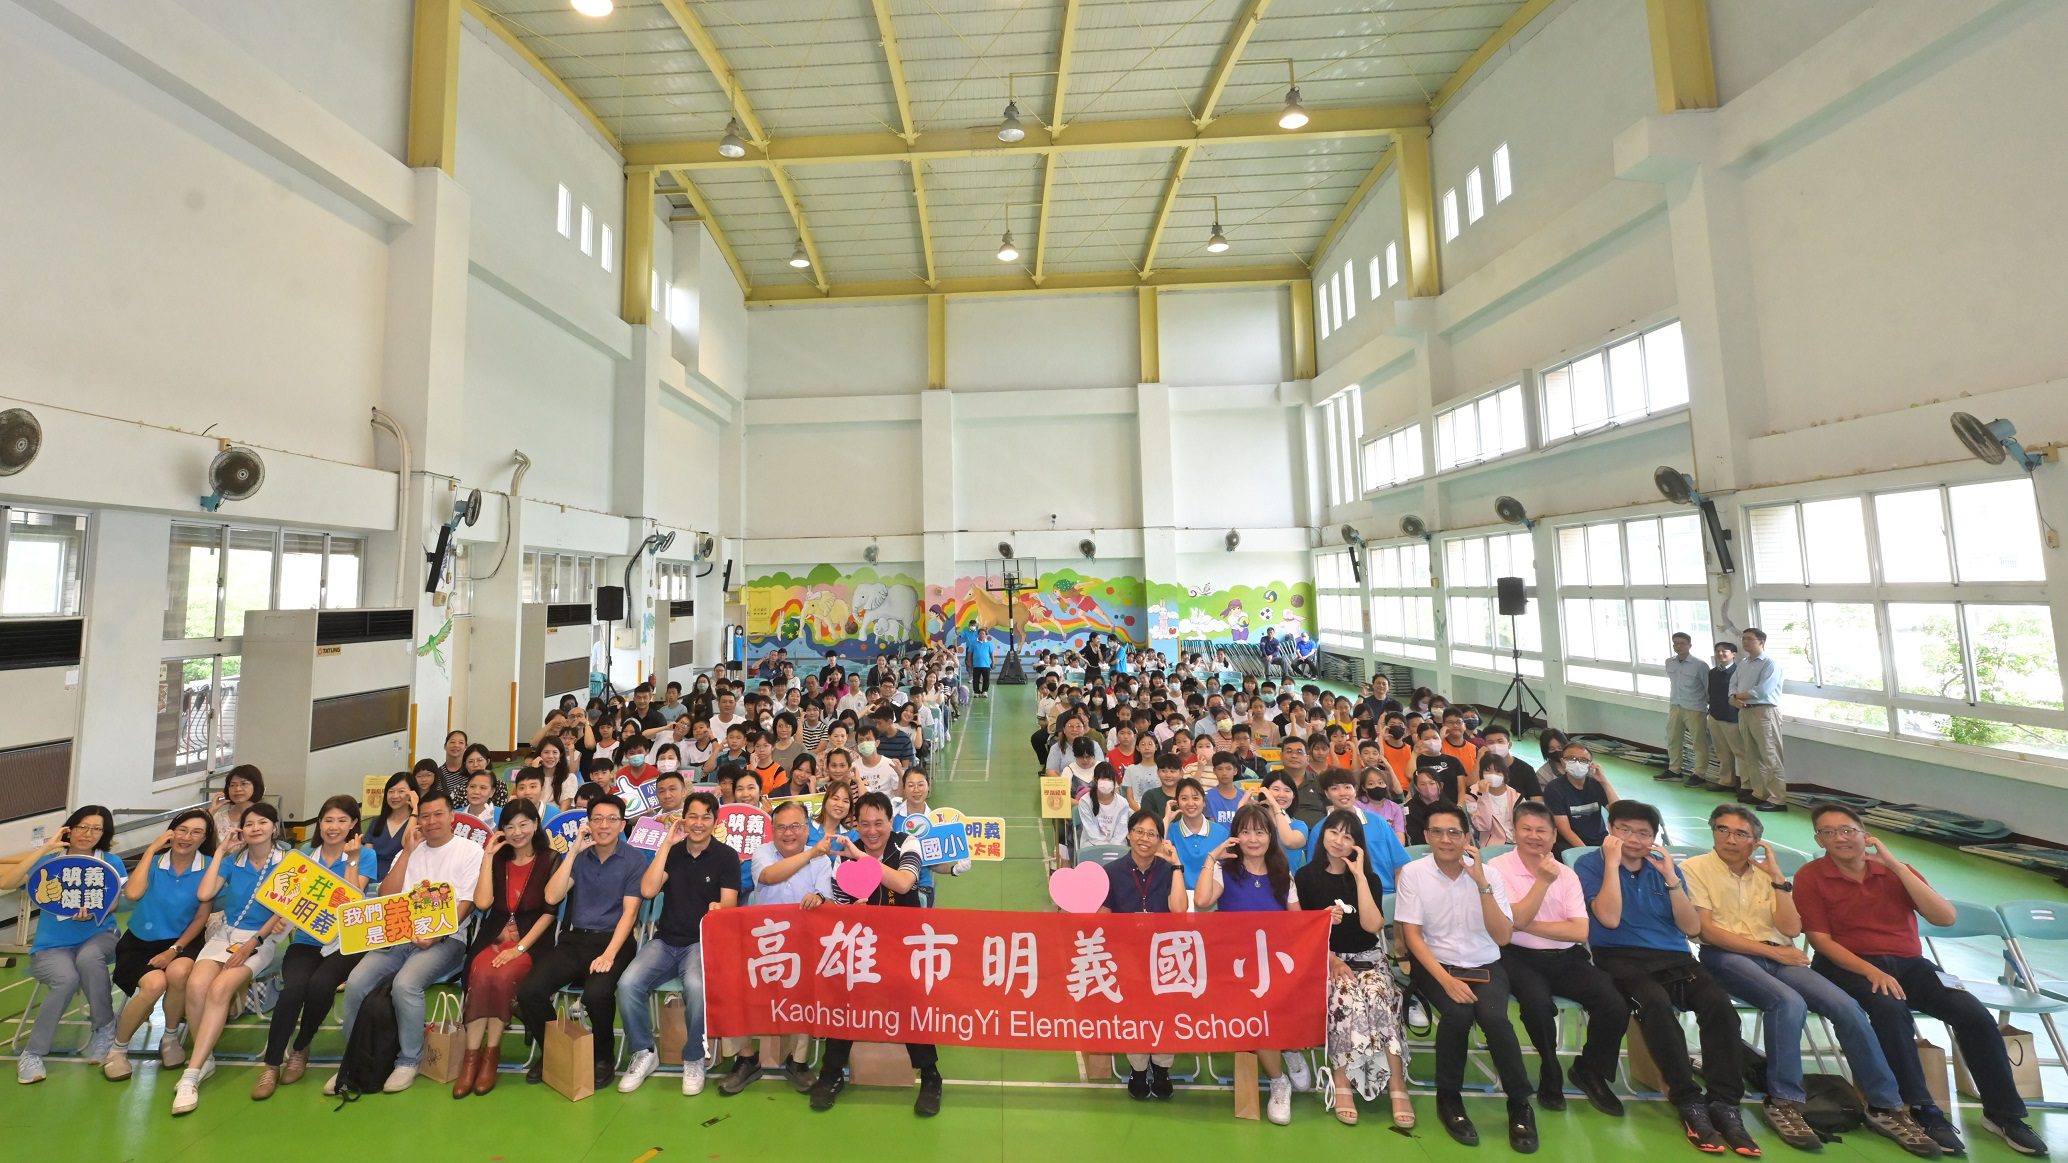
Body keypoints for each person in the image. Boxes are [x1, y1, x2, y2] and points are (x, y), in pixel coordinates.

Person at [1684, 805, 1942, 1156]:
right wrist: (1776, 954)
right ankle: (1784, 1101)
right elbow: (1707, 932)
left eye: (1741, 834)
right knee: (1788, 1002)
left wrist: (1778, 881)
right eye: (1722, 830)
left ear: (1756, 842)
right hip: (1727, 956)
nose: (1730, 839)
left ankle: (1885, 1105)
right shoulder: (1694, 868)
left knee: (1847, 1006)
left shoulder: (1767, 875)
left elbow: (1791, 929)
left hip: (1781, 955)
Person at [1796, 804, 2048, 1156]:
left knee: (1973, 1014)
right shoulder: (1811, 876)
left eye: (1848, 830)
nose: (1840, 838)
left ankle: (2004, 1115)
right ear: (1819, 840)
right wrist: (1871, 971)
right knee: (1889, 1008)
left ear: (1865, 835)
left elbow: (1945, 917)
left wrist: (1897, 867)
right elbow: (1821, 941)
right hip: (1847, 965)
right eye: (1829, 832)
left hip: (1912, 964)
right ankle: (1922, 1108)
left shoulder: (1896, 871)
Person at [1577, 801, 1757, 1155]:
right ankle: (1688, 1100)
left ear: (1654, 838)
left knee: (1719, 1005)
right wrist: (1611, 864)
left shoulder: (1665, 869)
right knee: (1656, 1004)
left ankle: (1724, 1103)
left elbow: (1691, 928)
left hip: (1675, 957)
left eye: (1643, 833)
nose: (1634, 839)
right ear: (1610, 831)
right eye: (1624, 830)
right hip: (1619, 956)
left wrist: (1673, 880)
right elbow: (1609, 919)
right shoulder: (1590, 864)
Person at [1396, 801, 1538, 1152]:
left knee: (1495, 1018)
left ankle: (1519, 1102)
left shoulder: (1490, 875)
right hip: (1437, 964)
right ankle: (1449, 1097)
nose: (1445, 840)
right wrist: (1446, 981)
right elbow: (1412, 936)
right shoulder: (1413, 873)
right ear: (1426, 836)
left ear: (1466, 837)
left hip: (1485, 963)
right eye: (1437, 832)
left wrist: (1482, 885)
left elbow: (1502, 937)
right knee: (1457, 1015)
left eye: (1453, 832)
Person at [333, 788, 483, 1096]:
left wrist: (436, 934)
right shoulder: (411, 849)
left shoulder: (469, 851)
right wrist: (408, 852)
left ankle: (408, 1061)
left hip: (447, 938)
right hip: (399, 935)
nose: (431, 821)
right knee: (356, 982)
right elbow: (386, 894)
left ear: (452, 817)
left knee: (406, 984)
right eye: (425, 816)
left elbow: (466, 902)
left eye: (438, 814)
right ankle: (352, 1062)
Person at [1488, 802, 1626, 1117]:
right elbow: (1508, 926)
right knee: (1537, 1004)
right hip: (1516, 956)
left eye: (1542, 831)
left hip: (1566, 956)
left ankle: (1590, 1069)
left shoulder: (1567, 874)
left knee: (1614, 1003)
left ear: (1553, 836)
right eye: (1526, 829)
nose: (1534, 836)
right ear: (1514, 832)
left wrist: (1523, 923)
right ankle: (1550, 1067)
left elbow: (1579, 930)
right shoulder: (1497, 869)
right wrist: (1540, 885)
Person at [809, 792, 941, 1117]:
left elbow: (904, 883)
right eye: (864, 824)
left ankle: (930, 1076)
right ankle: (831, 1073)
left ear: (891, 822)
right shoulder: (844, 858)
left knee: (910, 998)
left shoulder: (907, 844)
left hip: (904, 944)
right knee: (844, 995)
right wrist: (850, 910)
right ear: (856, 824)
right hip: (863, 945)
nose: (871, 831)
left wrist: (861, 858)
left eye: (878, 823)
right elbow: (840, 908)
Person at [515, 793, 645, 1090]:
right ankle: (555, 1051)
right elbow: (552, 896)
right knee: (529, 991)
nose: (603, 825)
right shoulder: (579, 857)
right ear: (588, 823)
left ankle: (602, 1057)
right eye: (597, 819)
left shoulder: (634, 860)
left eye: (611, 819)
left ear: (622, 824)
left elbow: (630, 914)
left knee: (596, 994)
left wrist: (609, 955)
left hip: (615, 941)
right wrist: (572, 853)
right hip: (575, 940)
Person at [252, 796, 378, 1099]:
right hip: (306, 942)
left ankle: (300, 1047)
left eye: (342, 821)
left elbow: (353, 902)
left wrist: (352, 859)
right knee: (293, 990)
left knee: (321, 985)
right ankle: (271, 1065)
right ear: (319, 823)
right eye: (328, 820)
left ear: (353, 824)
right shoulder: (304, 856)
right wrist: (280, 922)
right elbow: (285, 900)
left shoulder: (365, 856)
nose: (334, 827)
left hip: (344, 944)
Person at [1295, 809, 1414, 1129]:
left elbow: (1373, 925)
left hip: (1369, 958)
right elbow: (1301, 932)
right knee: (1344, 998)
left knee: (1379, 997)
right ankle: (1342, 1081)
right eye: (1333, 832)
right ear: (1323, 834)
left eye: (1347, 836)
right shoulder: (1305, 877)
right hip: (1328, 959)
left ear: (1357, 844)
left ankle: (1397, 1084)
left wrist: (1360, 877)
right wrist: (1330, 956)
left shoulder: (1370, 879)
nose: (1338, 840)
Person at [172, 803, 291, 1114]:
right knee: (196, 985)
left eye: (262, 822)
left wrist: (251, 944)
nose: (255, 828)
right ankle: (206, 1059)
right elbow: (204, 894)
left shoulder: (288, 861)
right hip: (225, 935)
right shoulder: (232, 861)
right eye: (249, 824)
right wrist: (221, 851)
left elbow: (283, 910)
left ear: (274, 827)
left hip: (261, 940)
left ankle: (191, 1074)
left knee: (220, 989)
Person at [619, 791, 738, 1096]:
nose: (698, 823)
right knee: (628, 984)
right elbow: (648, 890)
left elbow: (730, 902)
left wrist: (720, 908)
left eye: (706, 817)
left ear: (715, 821)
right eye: (692, 816)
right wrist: (666, 844)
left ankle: (694, 1057)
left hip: (701, 943)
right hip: (665, 940)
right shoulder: (672, 853)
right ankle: (644, 1052)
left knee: (697, 988)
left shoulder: (726, 856)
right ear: (683, 819)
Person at [1192, 803, 1301, 1126]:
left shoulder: (1283, 876)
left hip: (1276, 966)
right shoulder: (1224, 871)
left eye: (1260, 832)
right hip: (1235, 969)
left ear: (1270, 836)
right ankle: (1279, 1079)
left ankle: (1289, 1048)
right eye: (1246, 831)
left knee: (1279, 1001)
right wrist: (1212, 858)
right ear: (1235, 836)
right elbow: (1201, 901)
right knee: (1256, 1010)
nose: (1253, 839)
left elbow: (1298, 924)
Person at [2, 805, 126, 1084]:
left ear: (104, 834)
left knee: (88, 959)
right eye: (82, 826)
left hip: (99, 935)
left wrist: (95, 911)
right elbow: (8, 882)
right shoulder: (51, 861)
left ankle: (105, 1028)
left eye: (96, 829)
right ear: (70, 828)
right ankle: (33, 1053)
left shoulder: (110, 862)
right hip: (52, 945)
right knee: (66, 978)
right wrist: (45, 849)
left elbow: (116, 900)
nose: (88, 834)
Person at [102, 810, 215, 1082]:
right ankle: (117, 1050)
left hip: (183, 941)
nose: (187, 837)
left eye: (196, 832)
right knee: (154, 985)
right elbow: (133, 893)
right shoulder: (154, 862)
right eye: (182, 830)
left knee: (179, 973)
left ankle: (170, 1037)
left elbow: (201, 916)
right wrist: (152, 849)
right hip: (140, 942)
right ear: (170, 833)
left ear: (205, 838)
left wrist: (174, 950)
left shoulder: (210, 866)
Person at [458, 798, 558, 1098]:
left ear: (536, 825)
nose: (517, 832)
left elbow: (549, 913)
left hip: (531, 941)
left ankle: (491, 1053)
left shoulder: (550, 859)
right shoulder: (499, 860)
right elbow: (483, 903)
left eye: (524, 824)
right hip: (493, 937)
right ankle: (471, 1058)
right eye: (510, 826)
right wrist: (488, 857)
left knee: (500, 976)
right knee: (480, 973)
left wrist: (520, 948)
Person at [746, 799, 835, 1091]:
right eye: (781, 827)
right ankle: (745, 1058)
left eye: (795, 826)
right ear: (772, 830)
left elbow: (828, 900)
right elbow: (770, 876)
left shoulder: (822, 861)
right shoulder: (763, 853)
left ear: (807, 828)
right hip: (764, 942)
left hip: (804, 943)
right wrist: (810, 852)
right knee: (732, 978)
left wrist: (819, 899)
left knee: (811, 980)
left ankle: (798, 1061)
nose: (788, 833)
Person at [1729, 627, 1788, 812]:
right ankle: (1759, 792)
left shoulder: (1770, 664)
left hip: (1764, 712)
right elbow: (1733, 683)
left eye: (1749, 639)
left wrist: (1737, 696)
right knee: (1752, 755)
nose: (1745, 642)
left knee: (1770, 755)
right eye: (1743, 638)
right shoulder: (1744, 663)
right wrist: (1733, 697)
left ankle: (1778, 799)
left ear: (1761, 642)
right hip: (1745, 711)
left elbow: (1763, 690)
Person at [1543, 740, 1617, 853]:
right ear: (1563, 762)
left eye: (1583, 760)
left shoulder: (1596, 784)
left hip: (1600, 840)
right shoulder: (1554, 788)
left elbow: (1619, 813)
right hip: (1569, 844)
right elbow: (1565, 829)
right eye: (1571, 759)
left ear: (1590, 764)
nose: (1577, 763)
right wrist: (1588, 853)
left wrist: (1604, 782)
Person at [1662, 632, 1713, 786]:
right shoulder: (1669, 662)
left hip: (1695, 708)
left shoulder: (1700, 665)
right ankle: (1674, 770)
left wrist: (1708, 707)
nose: (1678, 646)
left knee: (1699, 742)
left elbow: (1708, 687)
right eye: (1675, 643)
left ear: (1690, 645)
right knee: (1672, 738)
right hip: (1675, 705)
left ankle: (1699, 774)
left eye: (1682, 643)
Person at [1162, 777, 1228, 894]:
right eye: (1184, 798)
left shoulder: (1221, 833)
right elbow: (1156, 856)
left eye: (1196, 798)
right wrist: (1166, 820)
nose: (1190, 803)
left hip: (1213, 896)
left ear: (1204, 802)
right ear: (1177, 803)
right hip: (1178, 896)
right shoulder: (1170, 830)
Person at [1705, 641, 1746, 800]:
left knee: (1740, 753)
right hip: (1715, 716)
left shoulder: (1738, 672)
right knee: (1722, 752)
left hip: (1732, 718)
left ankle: (1746, 786)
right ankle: (1726, 781)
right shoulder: (1713, 672)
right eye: (1718, 651)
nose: (1720, 654)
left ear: (1733, 654)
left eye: (1725, 651)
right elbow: (1711, 693)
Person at [363, 771, 417, 878]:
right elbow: (367, 857)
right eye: (391, 791)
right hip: (372, 878)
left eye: (401, 791)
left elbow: (406, 844)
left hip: (401, 878)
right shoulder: (377, 821)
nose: (395, 796)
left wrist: (415, 808)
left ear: (412, 794)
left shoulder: (417, 822)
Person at [1466, 751, 1522, 846]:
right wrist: (1483, 795)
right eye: (1487, 770)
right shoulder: (1472, 794)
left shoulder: (1515, 796)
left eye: (1498, 771)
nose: (1493, 775)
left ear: (1505, 774)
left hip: (1517, 844)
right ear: (1481, 773)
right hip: (1491, 846)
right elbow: (1483, 825)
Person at [208, 765, 264, 841]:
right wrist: (212, 811)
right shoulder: (217, 817)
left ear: (256, 786)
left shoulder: (264, 817)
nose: (237, 789)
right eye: (232, 785)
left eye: (244, 784)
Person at [969, 631, 995, 697]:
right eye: (980, 633)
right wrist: (969, 662)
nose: (982, 635)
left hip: (986, 665)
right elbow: (970, 654)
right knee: (976, 679)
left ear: (986, 635)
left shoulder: (989, 643)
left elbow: (991, 654)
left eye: (983, 634)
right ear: (978, 635)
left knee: (986, 679)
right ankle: (976, 692)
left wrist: (993, 662)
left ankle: (984, 692)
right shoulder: (973, 643)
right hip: (976, 665)